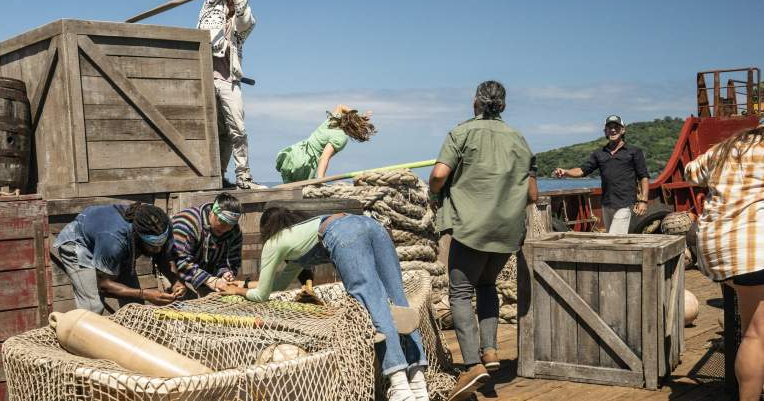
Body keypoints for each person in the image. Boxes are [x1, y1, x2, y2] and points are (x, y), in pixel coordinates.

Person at [223, 209, 429, 401]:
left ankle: (400, 386)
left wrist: (237, 290)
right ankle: (419, 382)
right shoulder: (300, 238)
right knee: (399, 300)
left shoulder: (273, 243)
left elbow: (262, 295)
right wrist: (246, 284)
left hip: (344, 232)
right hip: (370, 224)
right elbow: (279, 285)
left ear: (265, 230)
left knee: (372, 302)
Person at [428, 81, 537, 401]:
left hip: (471, 229)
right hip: (506, 234)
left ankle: (472, 365)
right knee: (487, 287)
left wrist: (436, 192)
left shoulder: (460, 134)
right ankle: (490, 352)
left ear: (475, 101)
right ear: (503, 105)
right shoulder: (520, 139)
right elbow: (533, 194)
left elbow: (437, 175)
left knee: (460, 293)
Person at [685, 121, 764, 401]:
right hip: (752, 251)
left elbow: (690, 172)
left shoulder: (726, 148)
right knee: (756, 336)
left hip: (716, 249)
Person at [198, 0, 270, 189]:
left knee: (235, 130)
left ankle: (243, 177)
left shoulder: (244, 21)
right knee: (210, 130)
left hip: (230, 80)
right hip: (204, 78)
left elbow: (245, 20)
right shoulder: (210, 5)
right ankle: (215, 177)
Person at [53, 203, 184, 314]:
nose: (158, 250)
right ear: (137, 236)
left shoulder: (161, 225)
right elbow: (103, 285)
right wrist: (145, 294)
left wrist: (175, 280)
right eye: (152, 246)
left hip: (112, 243)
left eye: (161, 245)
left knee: (135, 306)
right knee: (93, 307)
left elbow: (163, 256)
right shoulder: (115, 241)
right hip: (81, 244)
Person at [552, 115, 650, 234]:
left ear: (623, 130)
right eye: (609, 127)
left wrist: (643, 201)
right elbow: (583, 170)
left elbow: (643, 177)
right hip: (606, 204)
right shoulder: (599, 154)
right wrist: (566, 172)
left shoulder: (634, 151)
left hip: (625, 203)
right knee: (612, 237)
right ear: (605, 131)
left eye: (616, 127)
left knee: (614, 238)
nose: (613, 130)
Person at [275, 105, 376, 183]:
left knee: (288, 190)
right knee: (300, 195)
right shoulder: (341, 137)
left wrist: (358, 116)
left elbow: (340, 106)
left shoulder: (331, 122)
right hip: (305, 164)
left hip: (293, 154)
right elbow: (324, 157)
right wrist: (320, 179)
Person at [171, 192, 243, 296]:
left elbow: (232, 260)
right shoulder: (188, 223)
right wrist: (209, 280)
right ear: (212, 213)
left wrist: (226, 273)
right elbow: (180, 261)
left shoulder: (234, 231)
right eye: (222, 222)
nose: (225, 229)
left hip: (207, 274)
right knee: (184, 304)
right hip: (175, 272)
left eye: (230, 225)